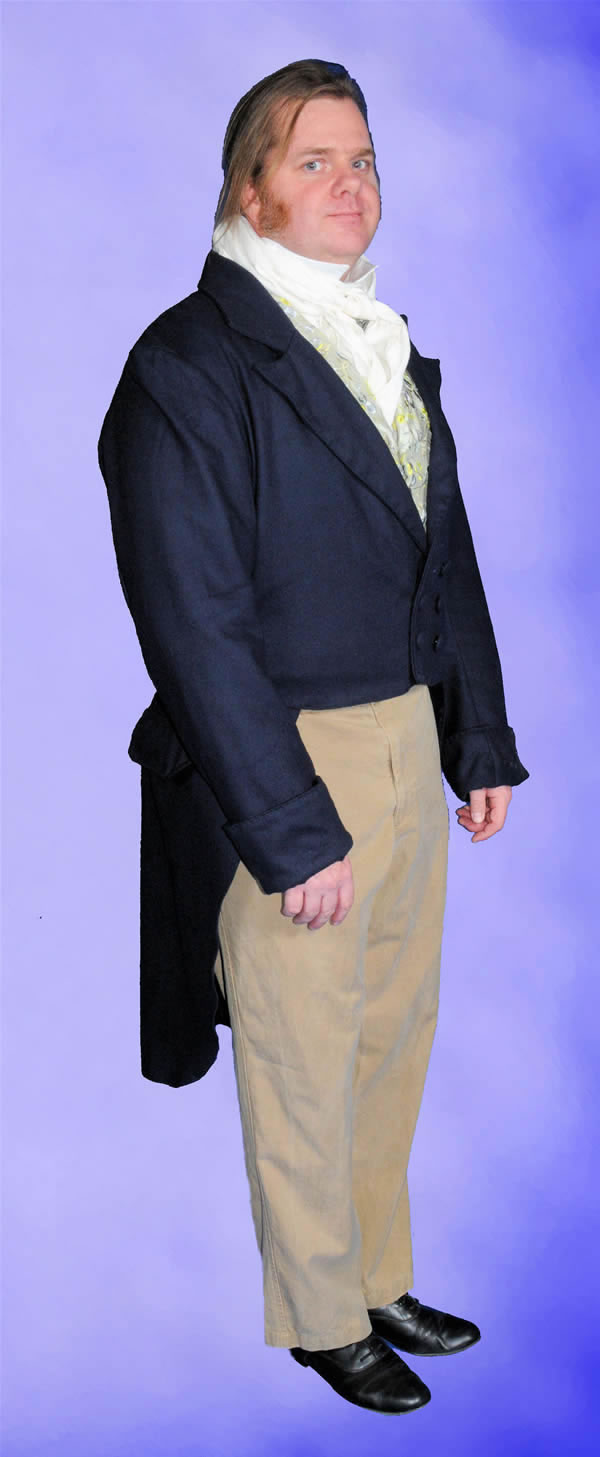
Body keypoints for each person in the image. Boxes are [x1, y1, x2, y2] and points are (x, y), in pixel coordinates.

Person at [97, 59, 529, 1416]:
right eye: (313, 160)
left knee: (392, 1033)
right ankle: (322, 1313)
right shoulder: (184, 367)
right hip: (283, 756)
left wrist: (477, 736)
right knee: (301, 1053)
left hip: (403, 731)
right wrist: (290, 826)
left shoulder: (375, 339)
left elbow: (443, 551)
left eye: (364, 159)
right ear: (248, 190)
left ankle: (379, 1271)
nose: (351, 184)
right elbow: (194, 624)